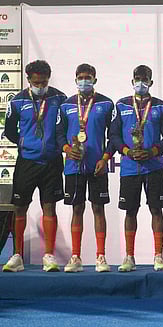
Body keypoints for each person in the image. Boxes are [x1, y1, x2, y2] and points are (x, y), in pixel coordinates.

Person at [2, 60, 67, 272]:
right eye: (37, 82)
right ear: (28, 80)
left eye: (44, 81)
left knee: (49, 206)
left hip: (52, 161)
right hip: (27, 161)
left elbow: (64, 128)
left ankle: (48, 255)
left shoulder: (60, 98)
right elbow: (10, 130)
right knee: (20, 207)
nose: (41, 85)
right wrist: (25, 143)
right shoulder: (17, 101)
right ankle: (17, 255)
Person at [109, 65, 163, 272]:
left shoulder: (161, 107)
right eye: (137, 78)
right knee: (130, 211)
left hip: (153, 166)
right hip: (129, 167)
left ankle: (158, 255)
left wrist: (154, 151)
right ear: (132, 80)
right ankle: (129, 256)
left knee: (156, 209)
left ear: (151, 82)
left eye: (145, 79)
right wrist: (126, 151)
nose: (141, 82)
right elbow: (114, 135)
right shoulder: (121, 105)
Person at [57, 64, 115, 273]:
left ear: (95, 80)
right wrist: (66, 149)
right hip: (73, 166)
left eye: (88, 77)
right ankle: (75, 257)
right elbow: (59, 134)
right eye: (80, 77)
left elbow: (114, 135)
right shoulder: (66, 105)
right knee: (77, 208)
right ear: (75, 80)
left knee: (98, 209)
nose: (84, 81)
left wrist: (106, 157)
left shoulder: (106, 104)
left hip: (97, 166)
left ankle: (101, 256)